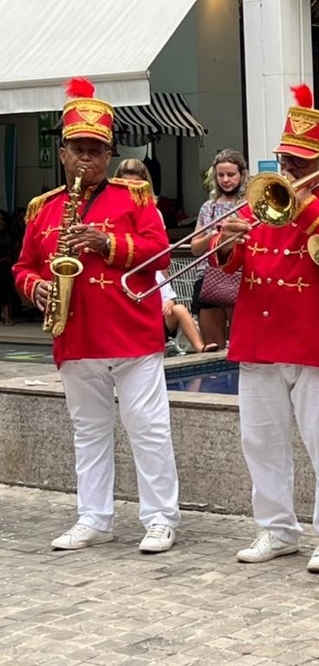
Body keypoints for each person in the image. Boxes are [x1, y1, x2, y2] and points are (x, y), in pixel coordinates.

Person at [13, 77, 180, 553]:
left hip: (131, 331)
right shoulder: (43, 209)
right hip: (76, 333)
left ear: (108, 155)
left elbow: (160, 254)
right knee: (88, 431)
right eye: (79, 149)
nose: (87, 158)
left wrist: (108, 243)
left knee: (147, 428)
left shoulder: (136, 198)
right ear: (63, 153)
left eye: (96, 150)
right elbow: (23, 265)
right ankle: (94, 516)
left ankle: (161, 517)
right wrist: (36, 287)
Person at [211, 84, 319, 573]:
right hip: (259, 333)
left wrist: (303, 201)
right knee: (259, 439)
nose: (290, 168)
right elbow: (230, 264)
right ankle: (277, 528)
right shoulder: (261, 199)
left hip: (313, 336)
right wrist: (228, 241)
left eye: (300, 160)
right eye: (286, 158)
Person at [115, 158, 219, 355]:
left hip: (148, 270)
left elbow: (160, 253)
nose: (131, 190)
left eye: (137, 184)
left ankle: (200, 347)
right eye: (125, 184)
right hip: (123, 273)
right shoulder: (113, 210)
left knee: (174, 307)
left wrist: (166, 293)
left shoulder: (153, 212)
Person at [191, 149, 248, 348]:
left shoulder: (249, 204)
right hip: (209, 278)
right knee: (212, 347)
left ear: (242, 175)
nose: (226, 180)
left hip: (240, 277)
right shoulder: (208, 207)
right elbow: (195, 248)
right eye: (221, 175)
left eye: (231, 175)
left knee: (240, 344)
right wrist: (215, 234)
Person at [0, 209, 16, 325]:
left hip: (6, 267)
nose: (1, 222)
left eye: (3, 220)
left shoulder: (9, 235)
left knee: (5, 289)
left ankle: (7, 316)